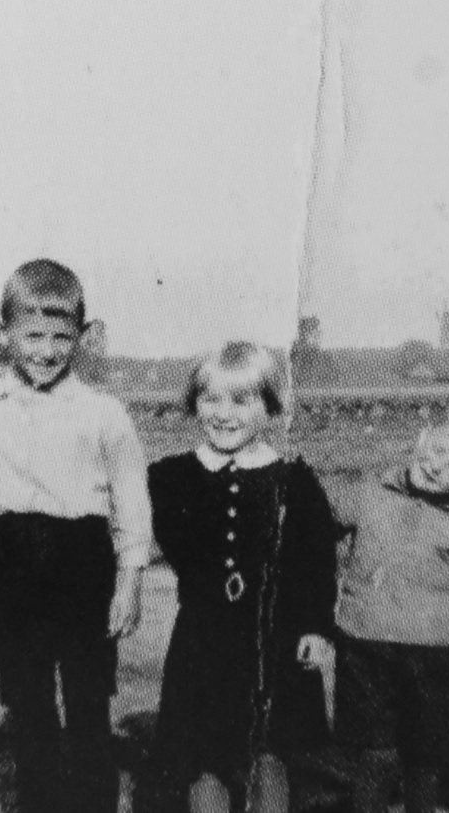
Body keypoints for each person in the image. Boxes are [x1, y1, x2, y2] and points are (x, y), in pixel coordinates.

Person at [0, 259, 150, 813]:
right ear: (2, 332)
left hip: (85, 559)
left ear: (83, 333)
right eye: (32, 336)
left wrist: (129, 581)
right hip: (6, 558)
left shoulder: (104, 413)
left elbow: (131, 497)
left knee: (87, 700)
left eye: (61, 337)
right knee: (28, 701)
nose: (47, 351)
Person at [148, 341, 338, 813]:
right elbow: (167, 541)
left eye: (240, 400)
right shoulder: (171, 477)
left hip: (276, 640)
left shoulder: (292, 481)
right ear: (194, 403)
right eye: (211, 398)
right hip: (203, 639)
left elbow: (316, 561)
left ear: (270, 406)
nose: (224, 413)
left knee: (270, 750)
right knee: (202, 755)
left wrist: (316, 627)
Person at [331, 407, 449, 813]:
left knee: (423, 759)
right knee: (375, 753)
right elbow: (314, 525)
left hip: (432, 657)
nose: (437, 465)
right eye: (439, 449)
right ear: (424, 435)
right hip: (364, 647)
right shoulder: (367, 493)